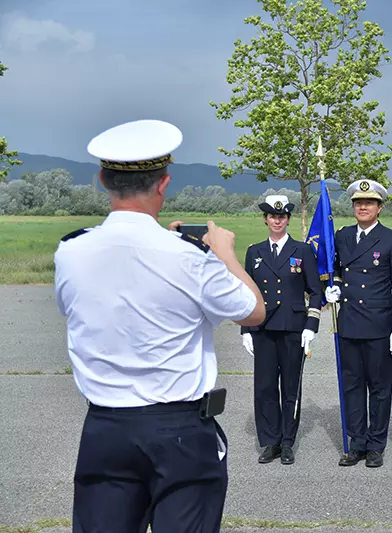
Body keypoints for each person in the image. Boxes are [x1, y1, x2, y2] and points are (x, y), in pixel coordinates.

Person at [54, 119, 265, 532]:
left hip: (105, 426)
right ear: (163, 183)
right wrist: (224, 254)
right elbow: (253, 311)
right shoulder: (189, 258)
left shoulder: (71, 251)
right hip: (178, 429)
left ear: (101, 179)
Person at [324, 179, 392, 468]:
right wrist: (333, 285)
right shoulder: (343, 236)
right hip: (348, 323)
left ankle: (375, 444)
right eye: (358, 203)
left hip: (378, 324)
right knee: (352, 385)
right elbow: (335, 268)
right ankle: (356, 442)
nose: (362, 206)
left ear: (379, 207)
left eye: (369, 203)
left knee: (380, 387)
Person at [239, 194, 322, 465]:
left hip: (292, 329)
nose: (277, 220)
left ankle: (287, 442)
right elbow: (247, 293)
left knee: (290, 388)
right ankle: (269, 441)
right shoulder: (255, 252)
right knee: (264, 388)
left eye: (282, 216)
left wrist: (311, 325)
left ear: (288, 219)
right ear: (266, 219)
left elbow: (315, 291)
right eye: (273, 216)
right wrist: (246, 330)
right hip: (263, 329)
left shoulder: (303, 251)